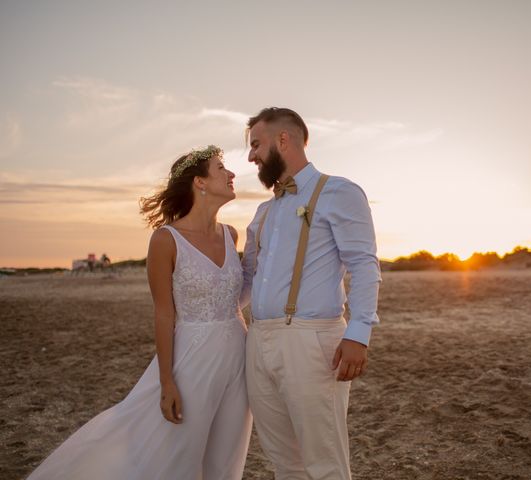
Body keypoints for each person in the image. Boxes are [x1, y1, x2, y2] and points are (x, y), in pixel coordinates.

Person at [27, 145, 252, 480]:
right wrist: (166, 383)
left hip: (239, 356)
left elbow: (232, 297)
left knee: (226, 459)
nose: (231, 174)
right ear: (199, 182)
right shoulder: (166, 240)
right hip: (192, 359)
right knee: (180, 457)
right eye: (221, 167)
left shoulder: (231, 234)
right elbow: (164, 315)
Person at [241, 108, 381, 480]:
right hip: (258, 342)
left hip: (312, 340)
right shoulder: (262, 212)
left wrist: (359, 333)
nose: (251, 155)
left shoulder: (340, 192)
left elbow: (364, 266)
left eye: (256, 144)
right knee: (284, 463)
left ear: (283, 140)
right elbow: (249, 281)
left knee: (325, 463)